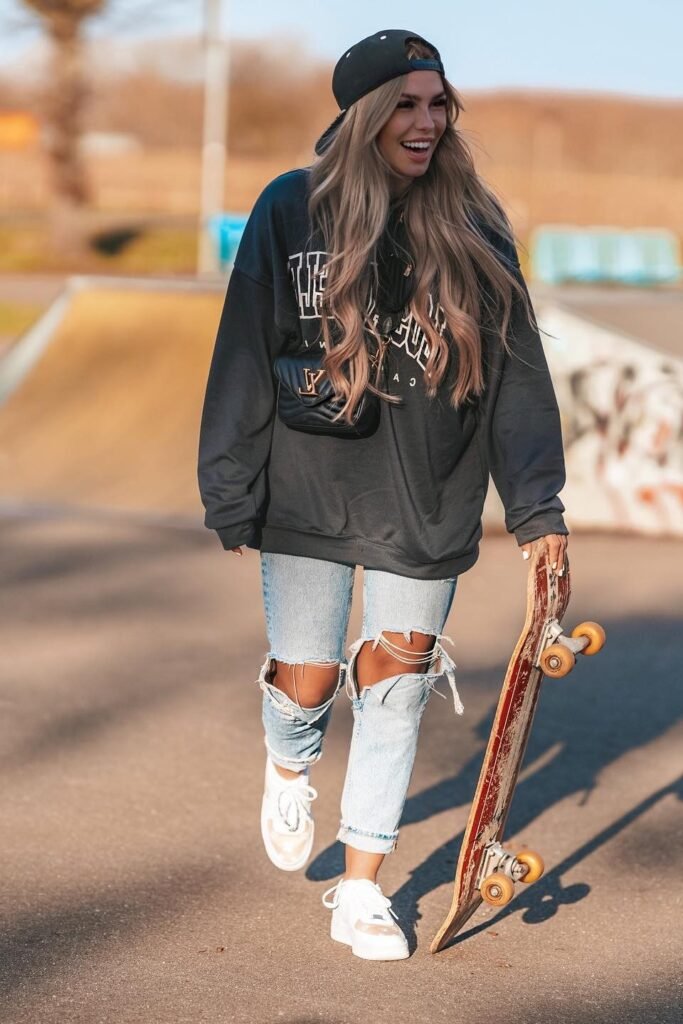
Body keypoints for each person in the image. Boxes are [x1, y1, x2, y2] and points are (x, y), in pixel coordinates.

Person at [198, 28, 568, 961]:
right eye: (406, 103)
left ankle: (363, 886)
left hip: (428, 490)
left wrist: (537, 511)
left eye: (438, 103)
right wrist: (228, 482)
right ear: (363, 112)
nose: (427, 121)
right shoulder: (293, 207)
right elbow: (242, 345)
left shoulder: (475, 224)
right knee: (309, 674)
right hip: (309, 485)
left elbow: (517, 376)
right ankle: (291, 761)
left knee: (397, 684)